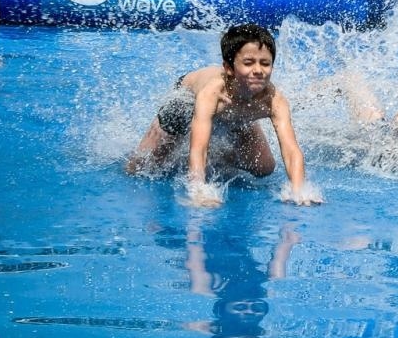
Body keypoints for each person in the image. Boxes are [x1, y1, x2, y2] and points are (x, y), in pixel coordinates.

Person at [125, 23, 320, 207]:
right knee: (141, 167)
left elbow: (291, 149)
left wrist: (299, 190)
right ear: (229, 68)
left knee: (264, 167)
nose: (258, 70)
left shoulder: (274, 100)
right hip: (184, 103)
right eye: (248, 63)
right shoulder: (212, 94)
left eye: (265, 63)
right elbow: (199, 147)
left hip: (237, 112)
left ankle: (217, 156)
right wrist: (199, 190)